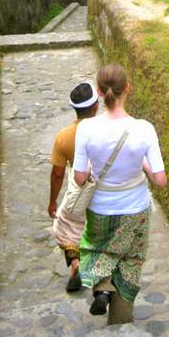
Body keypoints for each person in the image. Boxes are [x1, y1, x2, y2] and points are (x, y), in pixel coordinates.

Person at [74, 64, 167, 324]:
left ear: (99, 93)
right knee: (130, 260)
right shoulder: (144, 129)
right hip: (135, 207)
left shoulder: (86, 129)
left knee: (99, 248)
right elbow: (160, 180)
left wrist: (94, 167)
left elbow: (80, 178)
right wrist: (144, 165)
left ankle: (103, 286)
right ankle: (121, 318)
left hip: (101, 207)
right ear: (127, 88)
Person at [49, 81, 99, 292]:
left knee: (65, 229)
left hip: (80, 191)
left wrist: (52, 202)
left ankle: (76, 263)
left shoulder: (64, 138)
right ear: (96, 106)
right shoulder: (108, 130)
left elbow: (58, 173)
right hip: (106, 191)